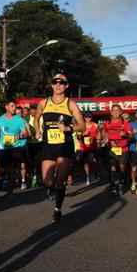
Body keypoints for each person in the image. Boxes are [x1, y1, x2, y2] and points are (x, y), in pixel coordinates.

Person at [35, 73, 85, 222]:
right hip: (48, 146)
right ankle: (51, 190)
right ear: (51, 85)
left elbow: (82, 126)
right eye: (55, 82)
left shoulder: (71, 104)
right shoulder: (43, 103)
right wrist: (37, 129)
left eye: (61, 82)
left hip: (64, 147)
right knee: (46, 180)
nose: (58, 85)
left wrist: (69, 128)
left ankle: (57, 208)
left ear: (66, 86)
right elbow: (37, 118)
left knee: (60, 181)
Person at [0, 101, 29, 192]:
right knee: (3, 166)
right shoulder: (0, 119)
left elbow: (26, 133)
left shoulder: (19, 119)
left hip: (15, 147)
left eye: (15, 107)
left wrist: (19, 136)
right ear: (6, 107)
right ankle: (4, 180)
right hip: (3, 147)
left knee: (14, 166)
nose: (14, 108)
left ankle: (12, 181)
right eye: (12, 106)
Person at [104, 104, 133, 195]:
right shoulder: (107, 123)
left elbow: (131, 136)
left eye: (117, 110)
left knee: (122, 167)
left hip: (123, 149)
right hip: (112, 149)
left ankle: (121, 183)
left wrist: (126, 135)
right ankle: (113, 186)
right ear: (111, 112)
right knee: (112, 168)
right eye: (114, 110)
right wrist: (106, 140)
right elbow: (104, 135)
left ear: (120, 112)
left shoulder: (125, 123)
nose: (116, 112)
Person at [78, 113, 99, 186]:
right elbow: (78, 137)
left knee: (92, 161)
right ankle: (87, 176)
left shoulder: (95, 125)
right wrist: (83, 135)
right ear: (84, 117)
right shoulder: (81, 125)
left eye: (89, 117)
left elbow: (98, 135)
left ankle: (94, 172)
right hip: (83, 147)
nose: (87, 118)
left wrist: (97, 139)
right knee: (86, 162)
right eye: (86, 117)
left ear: (91, 117)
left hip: (93, 146)